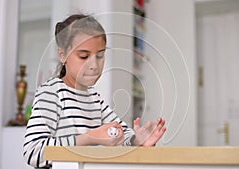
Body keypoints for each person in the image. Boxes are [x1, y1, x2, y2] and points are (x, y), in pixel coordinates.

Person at [23, 14, 166, 169]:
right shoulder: (51, 93)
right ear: (62, 55)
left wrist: (137, 140)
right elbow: (33, 151)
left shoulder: (94, 99)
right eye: (84, 56)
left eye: (100, 56)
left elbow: (119, 134)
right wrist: (90, 138)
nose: (94, 65)